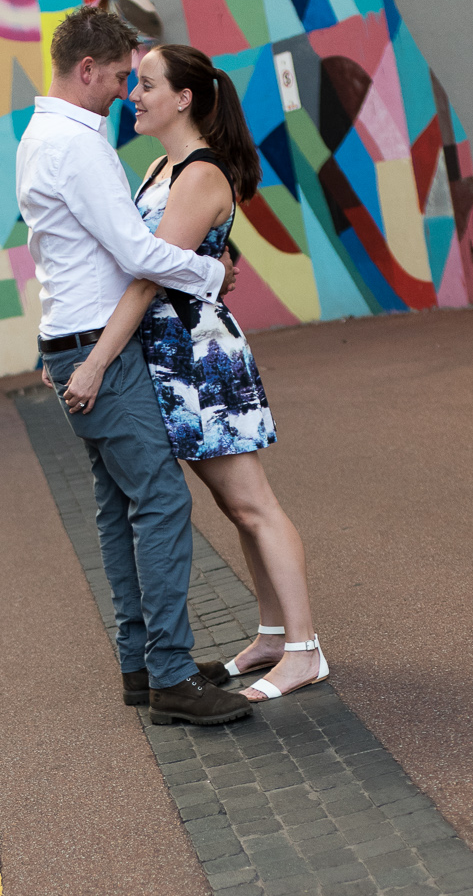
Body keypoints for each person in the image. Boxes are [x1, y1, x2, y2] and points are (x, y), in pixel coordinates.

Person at [61, 45, 327, 704]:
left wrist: (95, 360)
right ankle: (270, 637)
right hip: (169, 357)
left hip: (198, 360)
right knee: (233, 505)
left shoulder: (200, 174)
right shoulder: (160, 168)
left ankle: (303, 651)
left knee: (252, 502)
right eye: (135, 85)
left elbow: (150, 278)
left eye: (147, 85)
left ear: (183, 98)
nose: (134, 95)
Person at [14, 6, 252, 728]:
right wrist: (210, 271)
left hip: (73, 338)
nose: (125, 91)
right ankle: (171, 678)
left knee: (120, 506)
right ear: (87, 70)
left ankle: (142, 664)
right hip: (96, 347)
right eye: (119, 76)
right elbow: (133, 252)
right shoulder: (77, 146)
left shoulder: (40, 135)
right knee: (160, 502)